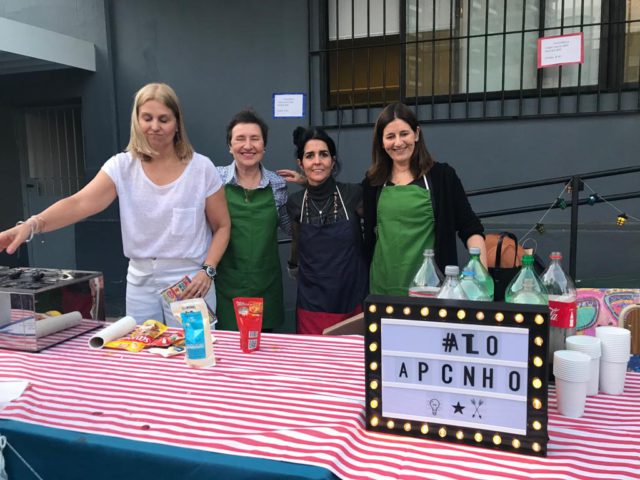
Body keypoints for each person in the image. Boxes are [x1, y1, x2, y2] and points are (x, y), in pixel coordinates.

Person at [0, 83, 231, 325]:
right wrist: (32, 225)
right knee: (140, 345)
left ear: (177, 123)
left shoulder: (201, 168)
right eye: (147, 118)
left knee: (195, 345)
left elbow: (222, 226)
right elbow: (79, 203)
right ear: (137, 121)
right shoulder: (122, 166)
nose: (155, 126)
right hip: (140, 281)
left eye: (164, 119)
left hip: (189, 280)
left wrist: (208, 270)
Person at [363, 102, 486, 296]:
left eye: (404, 134)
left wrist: (482, 280)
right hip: (381, 289)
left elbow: (470, 228)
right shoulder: (372, 183)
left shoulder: (442, 177)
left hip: (431, 291)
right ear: (381, 141)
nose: (398, 143)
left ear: (417, 134)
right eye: (390, 136)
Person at [284, 127, 368, 334]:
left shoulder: (353, 194)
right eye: (309, 156)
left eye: (323, 154)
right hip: (311, 305)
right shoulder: (295, 203)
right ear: (301, 163)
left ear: (333, 160)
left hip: (351, 301)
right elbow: (296, 248)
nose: (317, 161)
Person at [215, 109, 289, 331]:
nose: (248, 146)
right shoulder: (214, 179)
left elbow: (290, 227)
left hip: (266, 285)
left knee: (262, 346)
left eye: (255, 139)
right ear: (230, 146)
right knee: (226, 347)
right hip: (225, 286)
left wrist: (310, 185)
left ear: (264, 145)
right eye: (240, 139)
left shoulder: (278, 184)